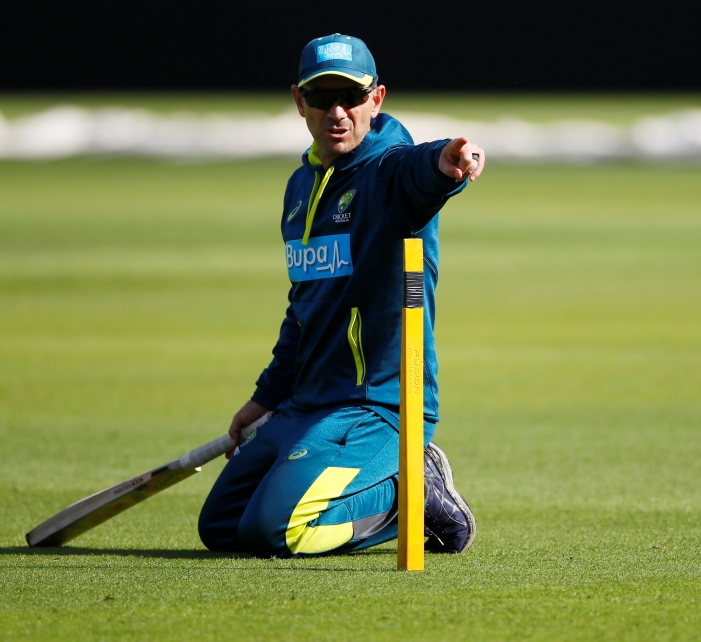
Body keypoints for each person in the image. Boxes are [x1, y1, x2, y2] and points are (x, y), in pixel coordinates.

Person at [198, 34, 485, 558]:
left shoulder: (388, 170)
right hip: (304, 404)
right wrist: (266, 395)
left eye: (351, 97)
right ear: (298, 101)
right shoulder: (298, 188)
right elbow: (303, 309)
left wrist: (448, 163)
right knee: (222, 528)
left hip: (376, 406)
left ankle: (412, 493)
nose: (337, 111)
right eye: (321, 96)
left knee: (277, 531)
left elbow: (421, 172)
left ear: (376, 99)